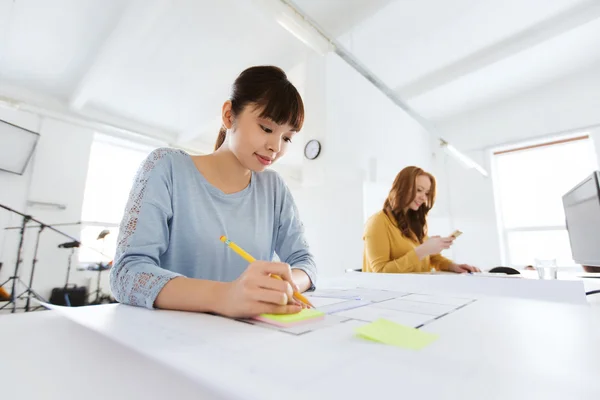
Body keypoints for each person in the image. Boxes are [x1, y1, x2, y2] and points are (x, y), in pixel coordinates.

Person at [109, 66, 316, 318]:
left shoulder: (274, 188)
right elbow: (127, 274)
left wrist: (284, 287)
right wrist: (226, 296)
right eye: (266, 128)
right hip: (173, 342)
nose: (275, 147)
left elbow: (305, 262)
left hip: (251, 342)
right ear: (229, 116)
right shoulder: (167, 168)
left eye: (287, 138)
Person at [362, 166, 480, 274]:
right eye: (419, 190)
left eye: (427, 193)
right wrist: (423, 250)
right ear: (402, 188)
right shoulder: (378, 222)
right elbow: (380, 271)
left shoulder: (414, 222)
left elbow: (431, 257)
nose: (424, 197)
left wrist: (452, 266)